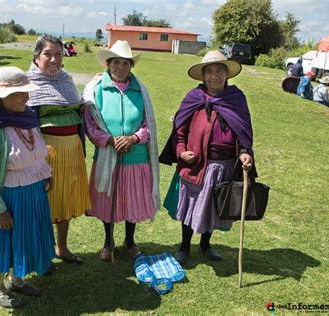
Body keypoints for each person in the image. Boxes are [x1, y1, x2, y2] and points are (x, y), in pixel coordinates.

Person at [0, 66, 55, 308]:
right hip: (8, 198)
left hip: (33, 190)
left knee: (25, 236)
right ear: (2, 96)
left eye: (26, 92)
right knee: (5, 240)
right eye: (21, 93)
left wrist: (44, 173)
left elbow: (36, 151)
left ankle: (16, 279)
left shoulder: (26, 117)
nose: (27, 98)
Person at [160, 50, 255, 264]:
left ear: (227, 75)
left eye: (220, 71)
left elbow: (243, 132)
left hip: (224, 166)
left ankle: (205, 244)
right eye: (210, 71)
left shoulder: (236, 99)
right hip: (196, 164)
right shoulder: (193, 98)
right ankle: (184, 246)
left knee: (214, 207)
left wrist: (244, 153)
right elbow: (179, 130)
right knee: (190, 206)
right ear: (203, 76)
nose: (215, 76)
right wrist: (181, 151)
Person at [83, 40, 160, 261]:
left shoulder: (140, 91)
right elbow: (90, 124)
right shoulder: (96, 89)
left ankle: (129, 241)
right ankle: (108, 242)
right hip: (108, 156)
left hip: (135, 158)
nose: (120, 67)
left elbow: (148, 125)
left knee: (132, 201)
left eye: (125, 63)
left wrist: (134, 138)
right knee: (108, 201)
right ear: (108, 64)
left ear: (131, 66)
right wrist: (109, 140)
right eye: (115, 62)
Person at [26, 35, 91, 264]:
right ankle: (44, 252)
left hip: (72, 151)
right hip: (45, 154)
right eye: (48, 54)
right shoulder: (27, 84)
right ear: (36, 56)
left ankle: (62, 248)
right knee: (43, 203)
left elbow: (80, 112)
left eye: (58, 54)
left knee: (65, 200)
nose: (54, 59)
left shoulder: (67, 80)